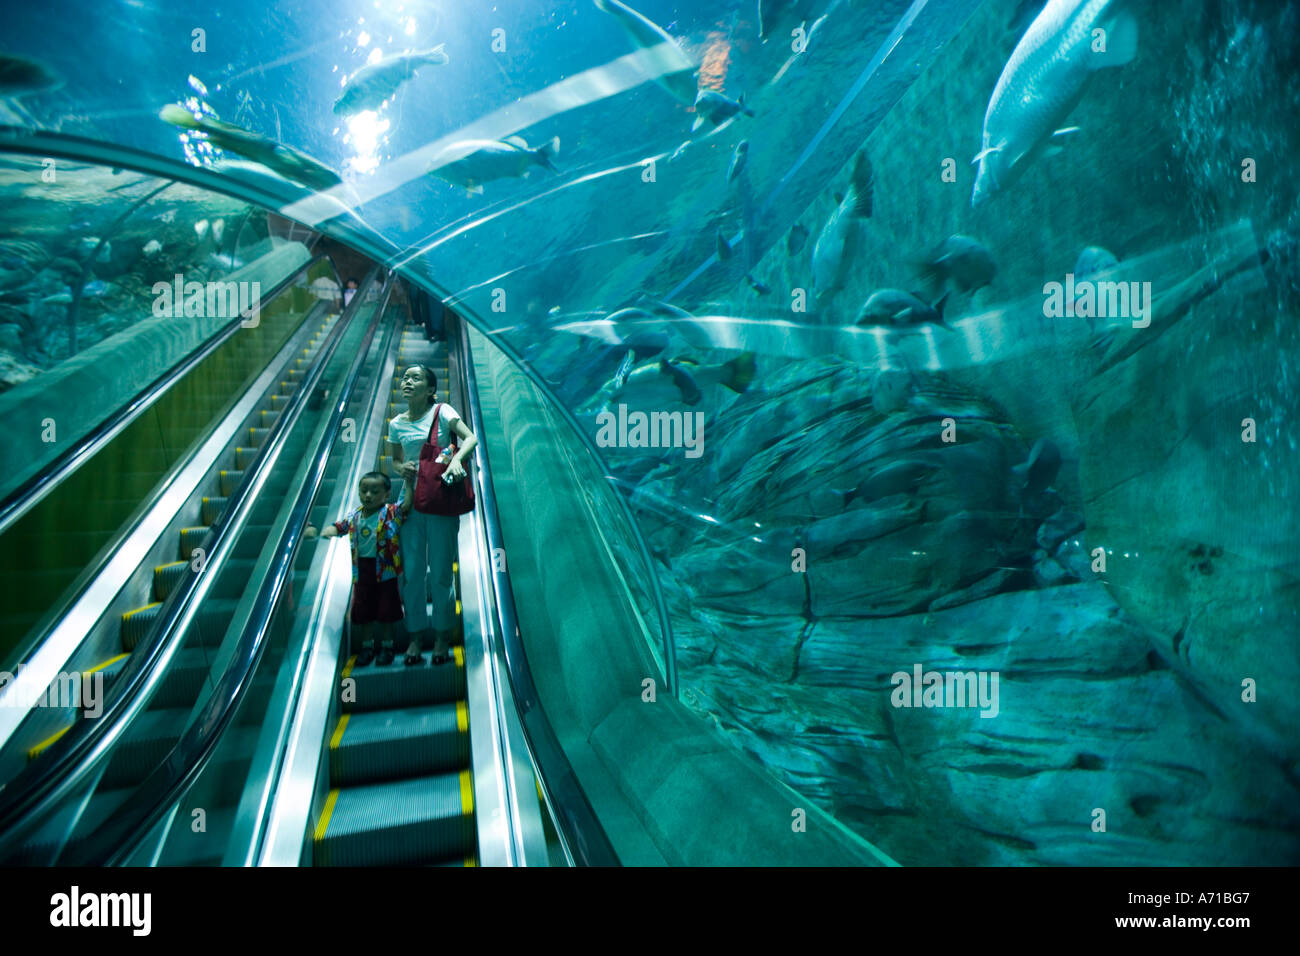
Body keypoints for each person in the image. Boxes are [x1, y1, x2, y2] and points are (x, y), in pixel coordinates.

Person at [387, 364, 477, 666]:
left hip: (439, 499)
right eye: (405, 378)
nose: (407, 382)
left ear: (429, 389)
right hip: (410, 501)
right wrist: (402, 469)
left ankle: (441, 637)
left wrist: (456, 462)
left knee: (440, 573)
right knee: (411, 574)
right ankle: (414, 637)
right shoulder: (396, 423)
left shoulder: (443, 410)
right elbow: (396, 460)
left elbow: (470, 438)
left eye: (415, 378)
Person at [306, 470, 414, 666]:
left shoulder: (390, 512)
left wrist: (408, 483)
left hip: (386, 570)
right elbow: (340, 526)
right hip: (362, 569)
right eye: (364, 490)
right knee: (364, 608)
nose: (368, 495)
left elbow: (406, 506)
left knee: (386, 608)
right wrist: (327, 532)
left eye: (374, 491)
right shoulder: (355, 515)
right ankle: (367, 646)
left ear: (387, 494)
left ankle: (387, 646)